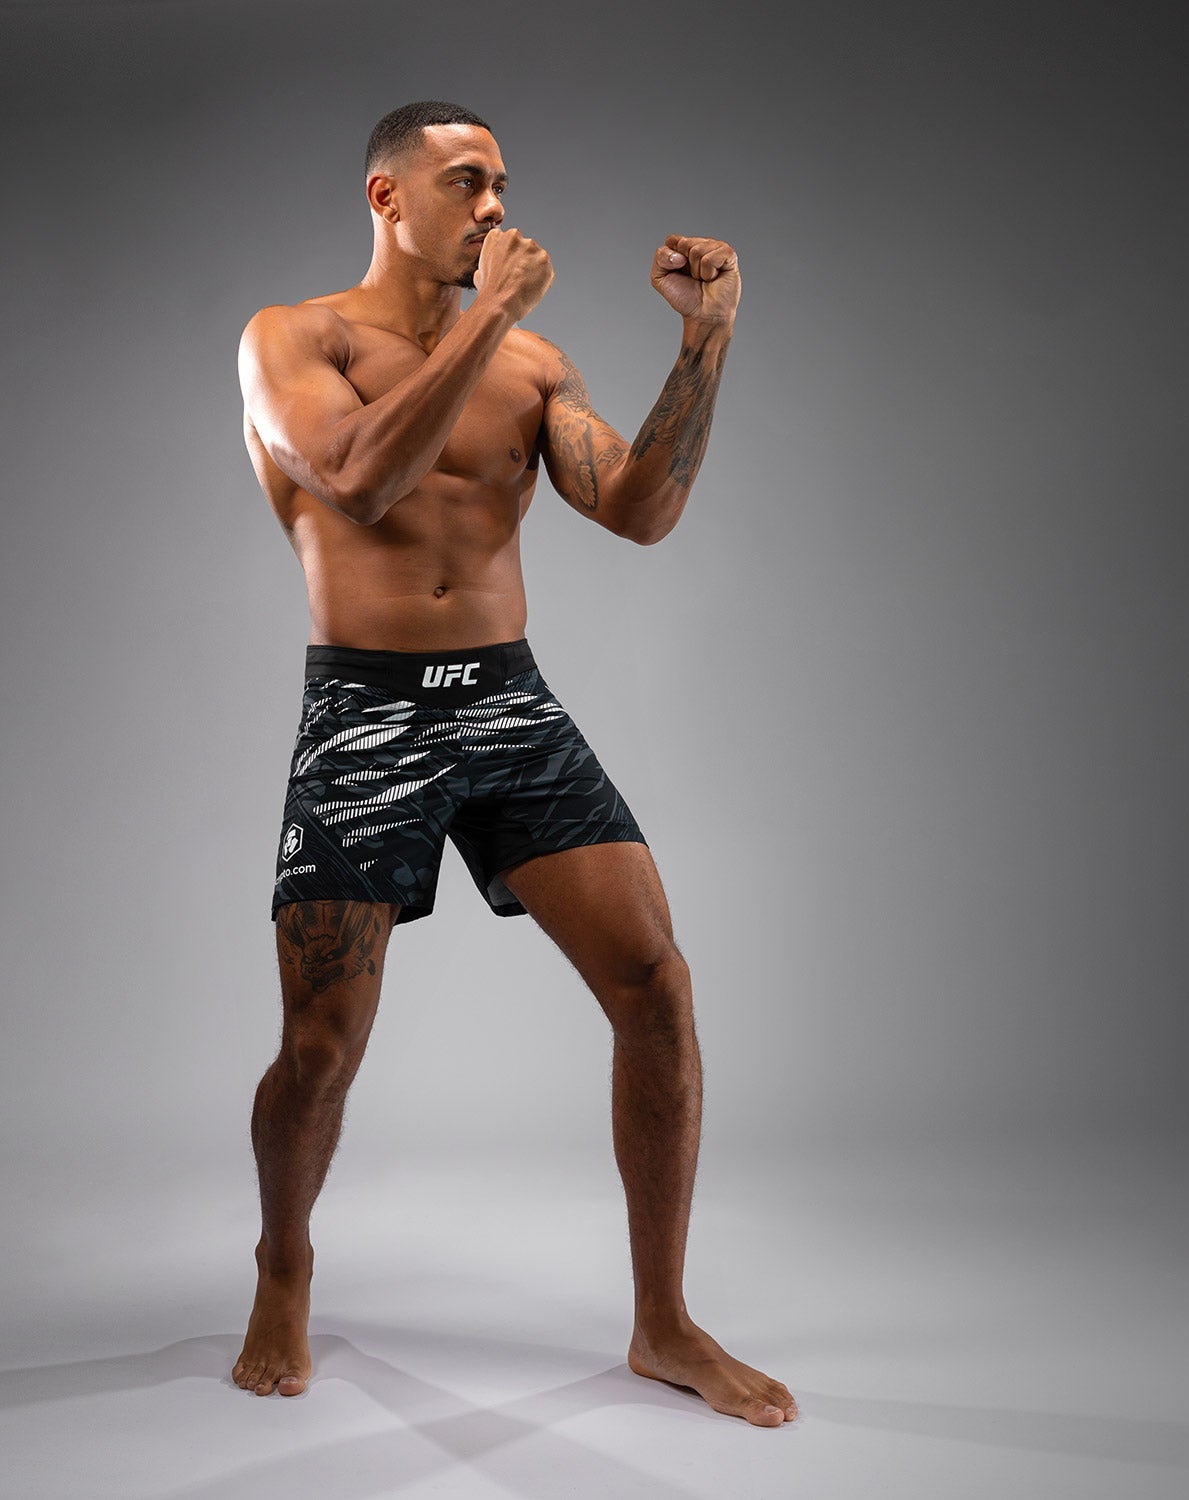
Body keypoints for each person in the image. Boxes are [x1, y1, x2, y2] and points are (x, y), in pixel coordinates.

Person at [231, 99, 797, 1427]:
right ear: (388, 197)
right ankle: (283, 1264)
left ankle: (663, 1322)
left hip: (506, 704)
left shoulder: (533, 363)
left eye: (500, 184)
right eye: (465, 181)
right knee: (322, 1044)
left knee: (656, 985)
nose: (492, 206)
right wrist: (485, 315)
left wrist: (705, 344)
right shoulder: (294, 339)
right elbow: (357, 479)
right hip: (366, 714)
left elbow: (641, 512)